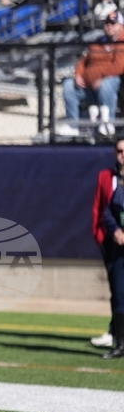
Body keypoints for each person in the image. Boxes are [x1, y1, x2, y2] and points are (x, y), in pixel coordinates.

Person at [58, 12, 124, 138]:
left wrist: (99, 76)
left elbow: (119, 66)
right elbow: (84, 60)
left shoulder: (122, 42)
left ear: (121, 26)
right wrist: (78, 75)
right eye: (107, 24)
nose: (109, 26)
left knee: (108, 83)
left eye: (113, 24)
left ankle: (107, 123)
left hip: (111, 84)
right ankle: (73, 125)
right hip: (89, 84)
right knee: (69, 85)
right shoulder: (99, 41)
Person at [90, 138, 124, 350]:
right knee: (117, 289)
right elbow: (102, 208)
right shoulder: (107, 177)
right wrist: (101, 235)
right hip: (113, 240)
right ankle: (116, 333)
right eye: (120, 150)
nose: (123, 154)